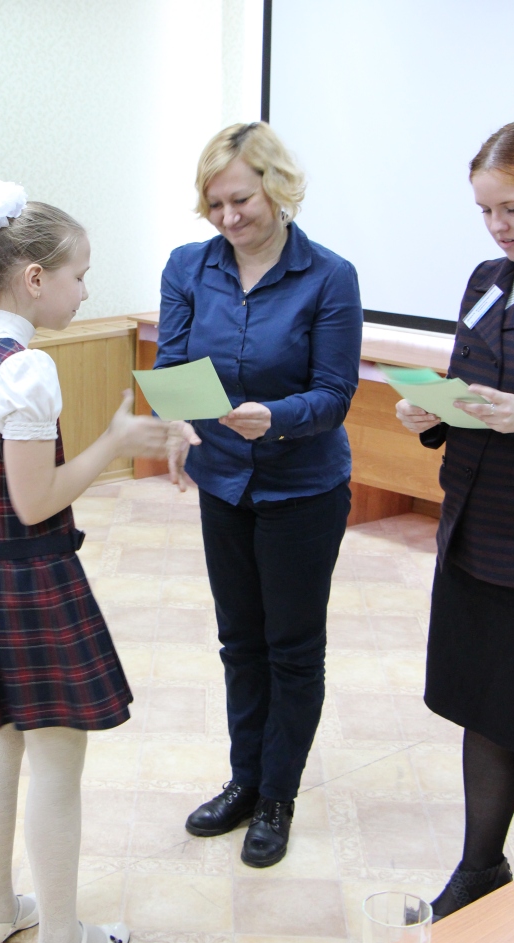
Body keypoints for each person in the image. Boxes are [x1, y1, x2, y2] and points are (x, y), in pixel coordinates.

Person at [0, 177, 170, 943]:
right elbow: (36, 501)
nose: (85, 290)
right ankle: (62, 940)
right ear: (34, 278)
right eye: (79, 274)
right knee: (57, 761)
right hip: (28, 582)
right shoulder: (25, 369)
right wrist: (115, 442)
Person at [157, 123, 362, 867]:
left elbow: (334, 394)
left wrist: (277, 416)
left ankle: (278, 796)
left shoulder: (328, 276)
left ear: (277, 188)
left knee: (292, 649)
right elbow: (173, 366)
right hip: (223, 482)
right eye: (214, 204)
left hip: (302, 488)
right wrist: (177, 420)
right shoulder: (188, 266)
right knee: (239, 642)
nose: (228, 217)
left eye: (240, 199)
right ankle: (244, 781)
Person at [396, 121, 514, 919]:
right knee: (484, 706)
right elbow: (469, 386)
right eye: (484, 211)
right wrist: (431, 414)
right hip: (474, 529)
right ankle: (479, 868)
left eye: (511, 208)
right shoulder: (487, 279)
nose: (496, 227)